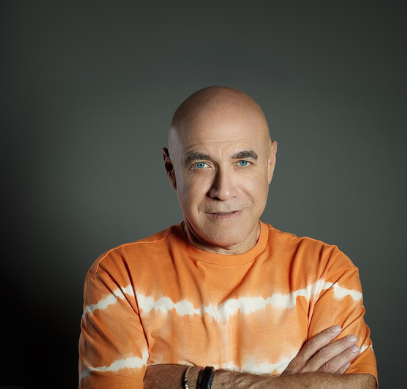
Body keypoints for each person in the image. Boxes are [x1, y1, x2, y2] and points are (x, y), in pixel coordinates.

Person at [78, 86, 377, 388]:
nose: (223, 190)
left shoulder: (326, 272)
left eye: (243, 162)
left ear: (270, 163)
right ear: (171, 170)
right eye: (201, 165)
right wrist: (290, 385)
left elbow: (359, 385)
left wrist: (191, 381)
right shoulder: (120, 276)